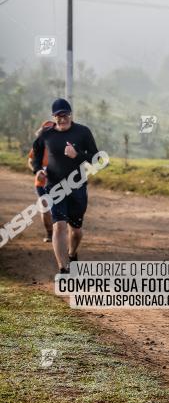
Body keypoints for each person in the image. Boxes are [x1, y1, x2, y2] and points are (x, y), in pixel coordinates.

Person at [30, 98, 100, 273]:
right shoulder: (46, 135)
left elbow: (97, 160)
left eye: (65, 115)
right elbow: (36, 155)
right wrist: (38, 170)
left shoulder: (83, 132)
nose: (62, 119)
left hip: (77, 187)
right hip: (54, 187)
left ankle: (72, 253)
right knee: (59, 226)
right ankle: (63, 269)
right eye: (58, 116)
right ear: (53, 117)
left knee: (76, 231)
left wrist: (77, 155)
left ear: (71, 114)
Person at [27, 120, 56, 243]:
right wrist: (37, 171)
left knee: (58, 208)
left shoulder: (62, 143)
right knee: (45, 207)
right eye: (47, 131)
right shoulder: (38, 145)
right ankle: (50, 233)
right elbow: (30, 161)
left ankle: (60, 231)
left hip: (59, 182)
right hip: (41, 182)